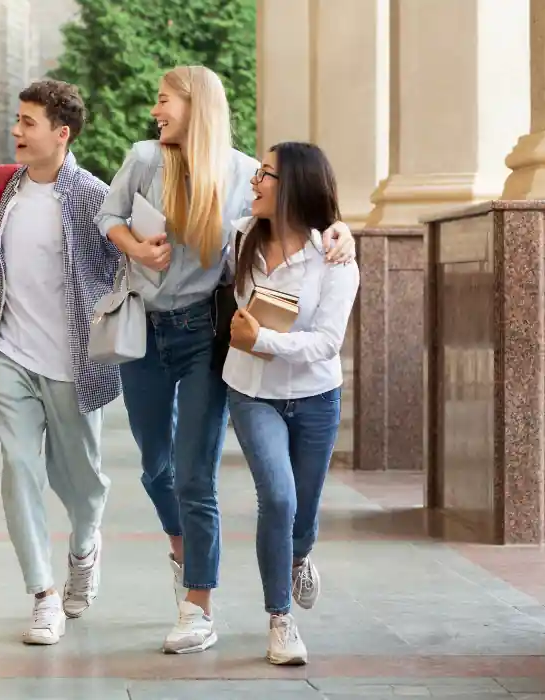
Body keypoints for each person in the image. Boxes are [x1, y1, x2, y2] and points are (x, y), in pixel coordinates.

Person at [95, 65, 355, 654]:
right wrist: (137, 246)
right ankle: (182, 549)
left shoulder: (242, 175)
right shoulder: (142, 158)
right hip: (144, 330)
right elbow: (107, 216)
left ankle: (199, 604)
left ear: (196, 105)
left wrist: (340, 228)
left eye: (164, 100)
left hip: (206, 335)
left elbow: (292, 217)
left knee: (194, 472)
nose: (155, 110)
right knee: (155, 465)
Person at [0, 80, 121, 646]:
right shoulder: (10, 187)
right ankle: (43, 595)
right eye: (18, 120)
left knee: (80, 481)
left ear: (61, 134)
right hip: (11, 354)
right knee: (18, 472)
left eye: (28, 122)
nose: (17, 130)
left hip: (73, 362)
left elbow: (124, 264)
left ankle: (85, 544)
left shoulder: (92, 195)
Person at [225, 142, 358, 666]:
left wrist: (263, 340)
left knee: (303, 510)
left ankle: (299, 554)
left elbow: (327, 342)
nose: (255, 181)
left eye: (266, 174)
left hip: (315, 396)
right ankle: (280, 619)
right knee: (277, 499)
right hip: (251, 391)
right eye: (257, 172)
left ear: (296, 187)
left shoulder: (333, 257)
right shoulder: (239, 238)